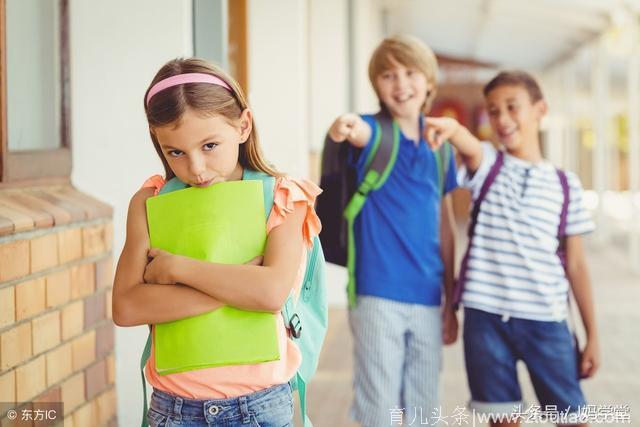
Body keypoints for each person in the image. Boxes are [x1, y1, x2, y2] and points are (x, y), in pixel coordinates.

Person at [112, 58, 322, 427]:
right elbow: (127, 307)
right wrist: (239, 284)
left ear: (243, 126)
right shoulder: (150, 201)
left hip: (259, 407)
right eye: (175, 151)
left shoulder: (284, 198)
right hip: (173, 408)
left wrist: (179, 269)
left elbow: (271, 293)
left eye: (209, 145)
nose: (195, 168)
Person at [425, 70, 599, 427]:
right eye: (493, 110)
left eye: (511, 107)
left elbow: (577, 266)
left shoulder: (567, 185)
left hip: (547, 321)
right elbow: (468, 143)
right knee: (502, 421)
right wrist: (451, 128)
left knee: (573, 419)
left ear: (540, 110)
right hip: (485, 319)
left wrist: (592, 334)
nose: (502, 119)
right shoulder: (488, 163)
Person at [327, 35, 459, 426]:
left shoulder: (442, 147)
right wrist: (342, 127)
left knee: (423, 408)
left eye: (410, 72)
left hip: (428, 296)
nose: (401, 84)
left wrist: (451, 298)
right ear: (376, 86)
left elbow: (446, 226)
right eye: (388, 75)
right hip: (377, 293)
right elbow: (350, 131)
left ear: (429, 81)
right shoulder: (374, 133)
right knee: (378, 406)